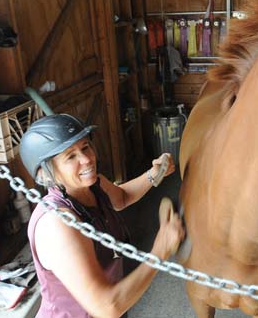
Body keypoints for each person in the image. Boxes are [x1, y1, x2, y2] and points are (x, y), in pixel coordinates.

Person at [20, 113, 184, 317]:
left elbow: (122, 198)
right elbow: (108, 307)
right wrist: (161, 249)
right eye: (71, 156)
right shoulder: (57, 225)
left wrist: (154, 174)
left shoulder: (94, 185)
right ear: (45, 174)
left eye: (85, 147)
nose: (87, 159)